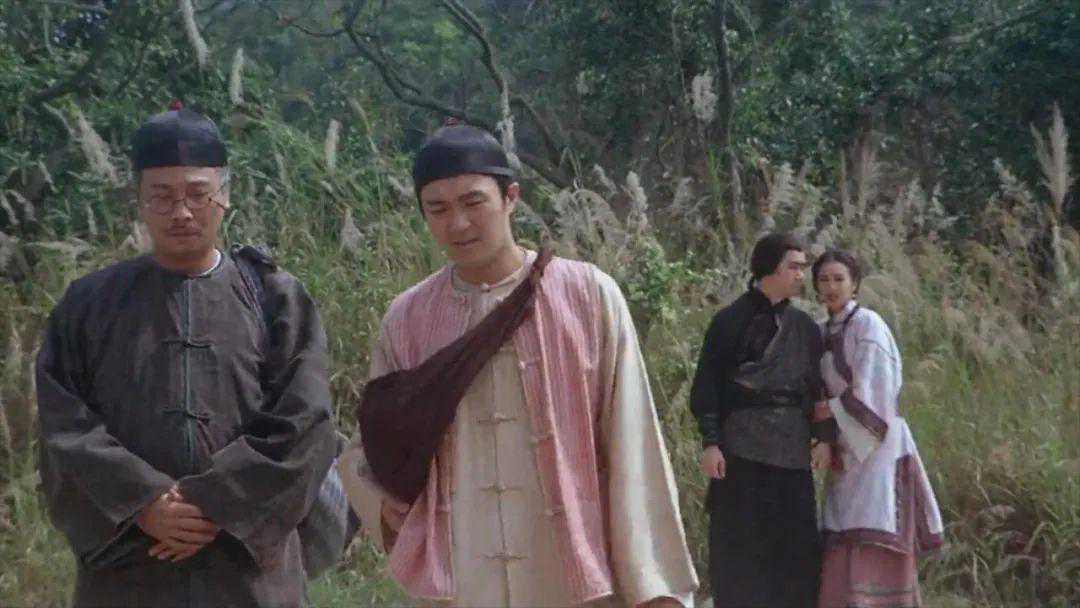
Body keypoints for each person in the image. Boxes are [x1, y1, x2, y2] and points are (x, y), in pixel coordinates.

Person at [338, 124, 698, 607]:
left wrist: (651, 585)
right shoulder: (407, 318)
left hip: (573, 576)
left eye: (473, 202)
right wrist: (384, 508)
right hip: (463, 576)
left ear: (511, 198)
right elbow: (373, 443)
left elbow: (633, 440)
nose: (458, 224)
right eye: (437, 209)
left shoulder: (587, 295)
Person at [36, 102, 337, 607]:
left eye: (198, 193)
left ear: (225, 194)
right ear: (138, 200)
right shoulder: (88, 304)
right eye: (162, 196)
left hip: (246, 567)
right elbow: (62, 425)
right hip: (130, 562)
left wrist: (215, 503)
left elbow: (306, 421)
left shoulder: (275, 297)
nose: (182, 212)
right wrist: (144, 502)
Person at [689, 232, 831, 608]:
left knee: (796, 548)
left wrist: (823, 437)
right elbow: (708, 386)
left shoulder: (805, 327)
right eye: (794, 267)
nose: (801, 275)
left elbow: (817, 389)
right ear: (770, 268)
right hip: (741, 448)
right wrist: (711, 442)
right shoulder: (729, 322)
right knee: (740, 546)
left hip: (792, 449)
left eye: (803, 267)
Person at [811, 249, 944, 608]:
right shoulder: (819, 331)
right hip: (844, 446)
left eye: (839, 279)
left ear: (854, 284)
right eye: (824, 279)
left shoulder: (869, 325)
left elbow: (877, 390)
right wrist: (826, 434)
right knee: (842, 530)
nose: (831, 287)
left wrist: (831, 409)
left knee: (876, 526)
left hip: (877, 445)